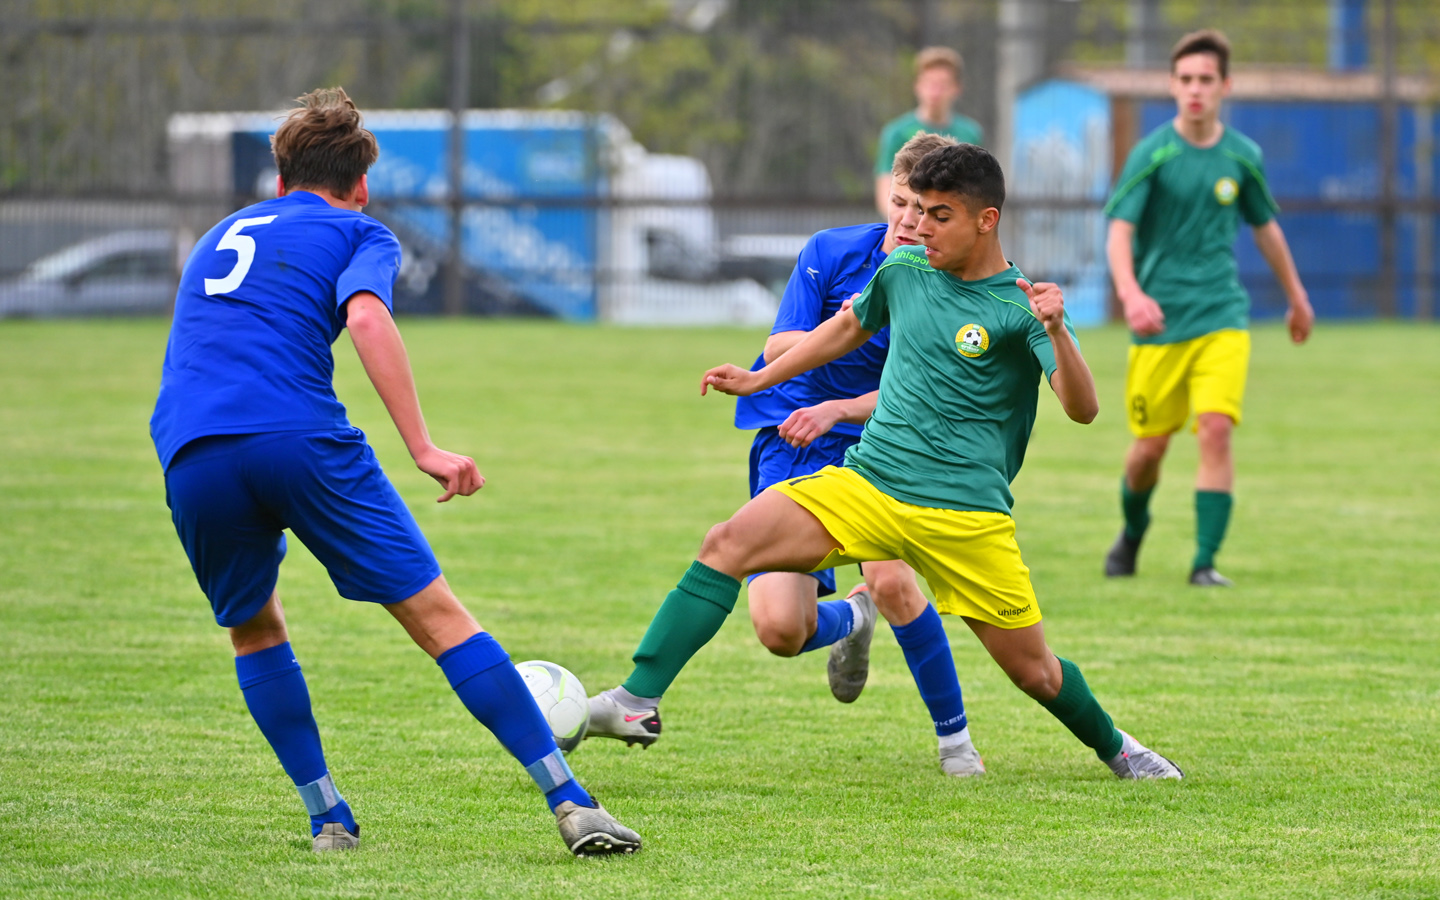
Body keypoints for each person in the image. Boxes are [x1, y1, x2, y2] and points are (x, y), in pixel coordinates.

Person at [590, 143, 1182, 781]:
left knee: (1033, 672)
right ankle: (637, 700)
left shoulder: (1019, 305)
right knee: (727, 542)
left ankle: (1118, 747)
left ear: (986, 220)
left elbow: (1083, 408)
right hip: (869, 484)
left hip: (964, 514)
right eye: (915, 210)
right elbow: (843, 330)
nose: (918, 227)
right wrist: (758, 380)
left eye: (938, 216)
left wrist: (1060, 330)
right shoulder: (903, 271)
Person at [149, 87, 641, 856]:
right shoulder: (358, 231)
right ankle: (572, 802)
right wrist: (422, 446)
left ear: (279, 179)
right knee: (440, 619)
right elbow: (370, 317)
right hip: (298, 436)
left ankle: (327, 818)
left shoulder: (216, 235)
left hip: (191, 448)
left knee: (254, 628)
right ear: (363, 184)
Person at [586, 132, 984, 778]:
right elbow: (778, 348)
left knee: (891, 577)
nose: (912, 222)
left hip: (878, 443)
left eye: (929, 210)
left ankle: (956, 744)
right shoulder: (832, 252)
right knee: (781, 630)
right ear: (890, 195)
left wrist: (842, 401)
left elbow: (923, 394)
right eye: (904, 203)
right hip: (790, 436)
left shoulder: (946, 284)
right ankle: (853, 620)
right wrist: (852, 323)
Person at [1102, 29, 1314, 587]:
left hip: (1222, 315)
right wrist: (1131, 294)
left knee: (1216, 429)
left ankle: (1204, 562)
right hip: (1160, 324)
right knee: (1148, 451)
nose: (1196, 90)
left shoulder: (1242, 156)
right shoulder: (1153, 154)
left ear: (1225, 86)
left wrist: (1297, 296)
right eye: (1187, 80)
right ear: (1173, 85)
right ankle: (1131, 534)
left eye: (1206, 80)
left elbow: (1265, 228)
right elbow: (1119, 233)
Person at [873, 47, 983, 215]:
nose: (935, 92)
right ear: (917, 86)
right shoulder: (897, 133)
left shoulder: (971, 133)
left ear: (956, 88)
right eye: (930, 83)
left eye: (942, 85)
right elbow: (885, 193)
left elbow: (976, 191)